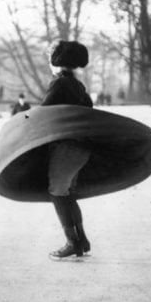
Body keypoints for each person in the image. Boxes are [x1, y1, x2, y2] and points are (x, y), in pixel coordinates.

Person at [42, 40, 94, 260]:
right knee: (68, 194)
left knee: (57, 192)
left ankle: (72, 242)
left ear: (57, 62)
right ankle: (81, 239)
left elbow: (43, 113)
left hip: (67, 147)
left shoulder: (59, 84)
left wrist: (20, 118)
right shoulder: (78, 85)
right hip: (82, 147)